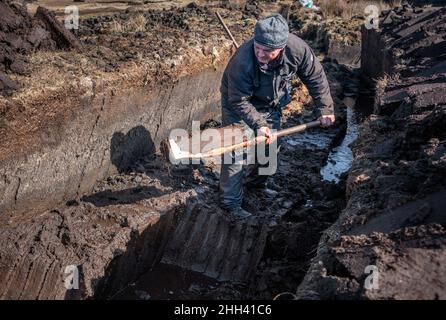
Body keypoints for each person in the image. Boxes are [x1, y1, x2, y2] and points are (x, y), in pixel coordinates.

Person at [219, 13, 335, 219]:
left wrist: (325, 108)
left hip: (271, 100)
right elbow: (238, 100)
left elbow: (316, 77)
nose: (261, 54)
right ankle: (230, 203)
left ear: (281, 48)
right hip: (238, 102)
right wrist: (259, 124)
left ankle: (257, 184)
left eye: (268, 51)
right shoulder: (242, 62)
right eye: (258, 48)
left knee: (270, 147)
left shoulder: (297, 50)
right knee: (236, 151)